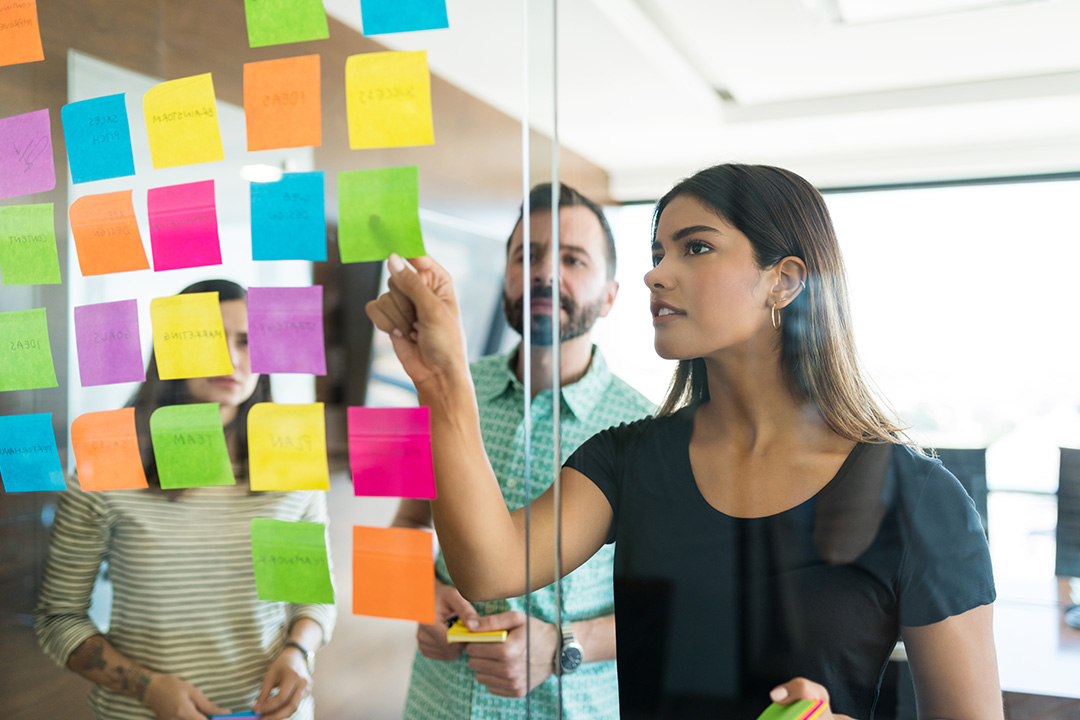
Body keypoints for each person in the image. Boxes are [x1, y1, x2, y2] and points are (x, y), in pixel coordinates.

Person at [366, 165, 1003, 720]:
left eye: (695, 248)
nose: (656, 274)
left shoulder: (921, 500)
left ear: (784, 281)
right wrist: (443, 383)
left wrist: (562, 644)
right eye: (659, 251)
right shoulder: (625, 457)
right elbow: (476, 564)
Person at [392, 183, 654, 718]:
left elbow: (676, 610)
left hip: (572, 704)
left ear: (609, 296)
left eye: (573, 259)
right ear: (507, 276)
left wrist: (564, 645)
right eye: (526, 255)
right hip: (439, 700)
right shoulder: (440, 389)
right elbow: (403, 527)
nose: (544, 273)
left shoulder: (650, 429)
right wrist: (416, 595)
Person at [36, 280, 336, 720]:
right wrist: (147, 687)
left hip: (269, 711)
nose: (231, 358)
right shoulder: (106, 468)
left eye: (248, 340)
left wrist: (298, 653)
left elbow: (312, 598)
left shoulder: (291, 464)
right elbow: (58, 619)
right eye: (208, 337)